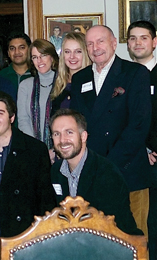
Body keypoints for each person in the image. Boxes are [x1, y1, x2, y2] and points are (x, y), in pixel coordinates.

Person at [70, 25, 153, 237]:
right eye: (89, 43)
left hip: (128, 170)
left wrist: (107, 165)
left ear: (114, 43)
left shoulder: (135, 73)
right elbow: (77, 124)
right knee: (96, 239)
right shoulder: (80, 79)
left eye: (100, 41)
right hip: (92, 173)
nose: (95, 48)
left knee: (134, 241)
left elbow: (139, 125)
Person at [0, 91, 56, 260]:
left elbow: (46, 204)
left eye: (0, 113)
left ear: (12, 118)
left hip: (27, 245)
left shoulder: (35, 151)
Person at [49, 109, 142, 235]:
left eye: (69, 132)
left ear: (83, 136)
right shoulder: (56, 171)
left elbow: (115, 228)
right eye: (56, 134)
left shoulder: (107, 174)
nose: (62, 140)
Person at [126, 20, 157, 259]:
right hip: (136, 160)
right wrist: (141, 148)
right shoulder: (125, 75)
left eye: (143, 37)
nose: (137, 43)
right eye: (133, 38)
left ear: (154, 42)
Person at [17, 39, 59, 147]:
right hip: (33, 147)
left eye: (43, 55)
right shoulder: (25, 85)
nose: (39, 61)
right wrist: (37, 148)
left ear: (52, 57)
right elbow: (23, 120)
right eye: (35, 57)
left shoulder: (63, 83)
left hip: (60, 147)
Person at [51, 32, 91, 115]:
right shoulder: (58, 81)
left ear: (86, 53)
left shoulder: (94, 81)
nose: (72, 56)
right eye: (67, 52)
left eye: (78, 51)